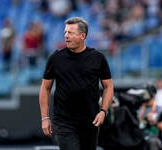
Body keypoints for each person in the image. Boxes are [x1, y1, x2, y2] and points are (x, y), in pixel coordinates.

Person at [39, 17, 113, 150]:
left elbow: (108, 87)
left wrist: (103, 112)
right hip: (64, 121)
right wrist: (45, 118)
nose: (66, 36)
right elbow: (45, 88)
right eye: (65, 32)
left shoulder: (98, 58)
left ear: (82, 36)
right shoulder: (55, 59)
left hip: (90, 121)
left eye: (70, 33)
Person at [137, 84, 162, 150]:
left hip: (156, 140)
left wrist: (155, 123)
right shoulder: (138, 109)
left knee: (152, 142)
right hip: (140, 138)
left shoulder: (159, 109)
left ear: (153, 95)